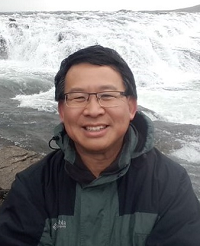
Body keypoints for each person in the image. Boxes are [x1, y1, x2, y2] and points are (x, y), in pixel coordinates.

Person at [0, 45, 200, 246]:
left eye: (107, 95)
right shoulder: (33, 188)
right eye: (78, 97)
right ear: (62, 111)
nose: (93, 110)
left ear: (131, 107)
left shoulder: (170, 185)